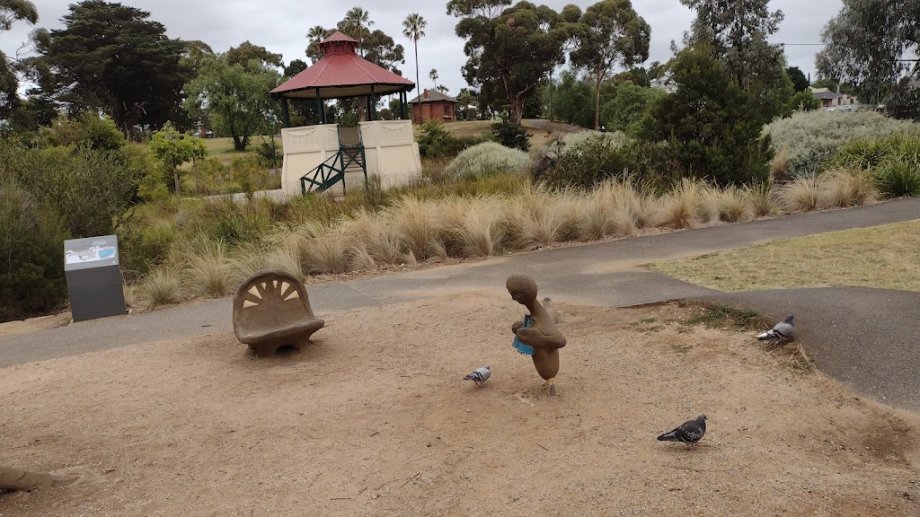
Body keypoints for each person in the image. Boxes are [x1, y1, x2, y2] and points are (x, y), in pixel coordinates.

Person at [506, 274, 567, 395]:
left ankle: (550, 382)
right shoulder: (535, 314)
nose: (513, 298)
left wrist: (540, 339)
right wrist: (520, 327)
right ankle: (549, 381)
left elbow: (561, 341)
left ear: (519, 294)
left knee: (549, 316)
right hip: (546, 366)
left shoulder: (542, 318)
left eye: (513, 294)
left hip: (549, 368)